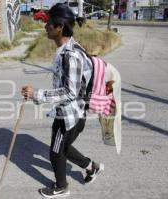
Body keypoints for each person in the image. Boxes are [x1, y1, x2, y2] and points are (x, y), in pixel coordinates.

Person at [21, 3, 104, 198]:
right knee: (64, 147)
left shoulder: (71, 54)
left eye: (49, 23)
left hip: (69, 115)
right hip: (75, 114)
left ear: (59, 27)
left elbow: (70, 92)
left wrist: (36, 94)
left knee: (56, 152)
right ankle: (92, 167)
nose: (45, 26)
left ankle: (61, 187)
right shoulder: (67, 48)